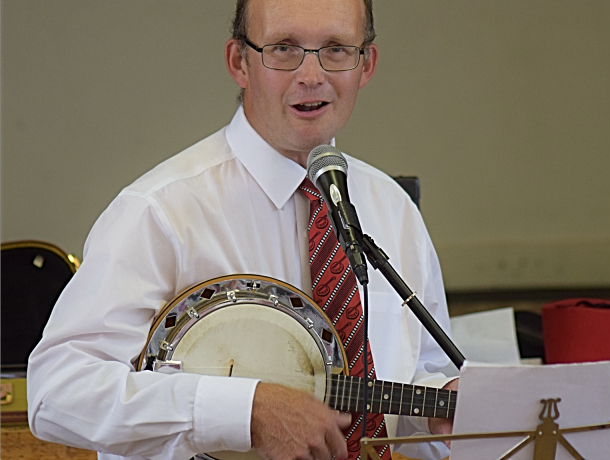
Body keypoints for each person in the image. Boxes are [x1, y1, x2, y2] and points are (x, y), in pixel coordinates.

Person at [27, 0, 457, 459]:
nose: (311, 75)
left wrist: (437, 407)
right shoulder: (160, 212)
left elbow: (416, 376)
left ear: (365, 64)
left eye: (335, 49)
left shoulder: (393, 208)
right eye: (284, 48)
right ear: (239, 62)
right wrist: (240, 414)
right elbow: (57, 393)